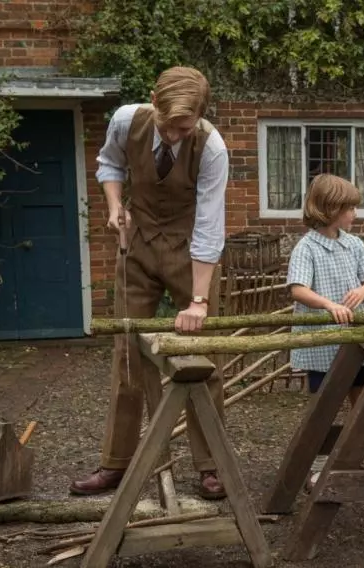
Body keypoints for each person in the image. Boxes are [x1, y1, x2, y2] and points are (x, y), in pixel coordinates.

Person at [69, 66, 230, 498]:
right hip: (136, 247)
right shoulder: (126, 120)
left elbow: (210, 226)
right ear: (154, 101)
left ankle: (212, 465)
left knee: (204, 358)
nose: (174, 136)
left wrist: (198, 301)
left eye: (185, 128)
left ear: (200, 115)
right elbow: (109, 164)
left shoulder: (212, 147)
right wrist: (115, 206)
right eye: (167, 126)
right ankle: (115, 463)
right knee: (127, 355)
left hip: (189, 251)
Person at [287, 174, 364, 488]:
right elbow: (298, 289)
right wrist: (329, 305)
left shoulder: (353, 244)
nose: (355, 214)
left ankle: (363, 453)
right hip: (323, 344)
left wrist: (362, 291)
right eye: (349, 208)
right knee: (324, 406)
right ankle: (316, 464)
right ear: (330, 209)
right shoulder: (307, 248)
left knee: (362, 400)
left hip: (357, 340)